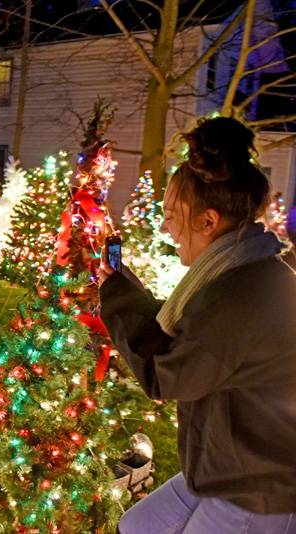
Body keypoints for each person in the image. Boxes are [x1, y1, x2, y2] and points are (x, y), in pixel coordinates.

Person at [99, 117, 296, 533]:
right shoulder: (238, 272)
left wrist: (117, 299)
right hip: (222, 468)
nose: (167, 227)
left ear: (208, 221)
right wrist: (123, 293)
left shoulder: (241, 293)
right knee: (137, 527)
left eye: (173, 216)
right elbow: (188, 338)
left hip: (256, 489)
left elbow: (165, 374)